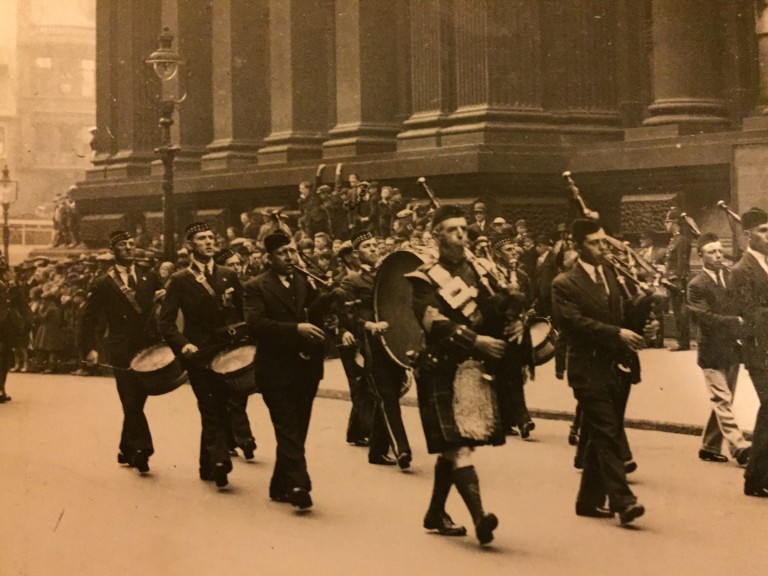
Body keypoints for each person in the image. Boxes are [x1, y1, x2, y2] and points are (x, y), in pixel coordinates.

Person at [406, 205, 513, 546]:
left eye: (464, 230)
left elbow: (493, 309)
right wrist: (476, 340)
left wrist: (511, 309)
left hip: (471, 369)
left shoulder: (479, 270)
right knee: (459, 446)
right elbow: (432, 321)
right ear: (437, 235)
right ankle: (481, 518)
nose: (462, 236)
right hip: (440, 367)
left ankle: (435, 513)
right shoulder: (424, 278)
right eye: (453, 230)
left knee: (455, 446)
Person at [552, 218, 654, 526]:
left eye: (603, 242)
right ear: (578, 246)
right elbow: (574, 324)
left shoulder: (610, 274)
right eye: (595, 244)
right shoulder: (564, 284)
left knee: (601, 434)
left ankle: (588, 501)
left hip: (615, 366)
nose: (602, 248)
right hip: (587, 368)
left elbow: (621, 315)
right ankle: (623, 500)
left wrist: (645, 310)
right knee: (608, 431)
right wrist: (617, 333)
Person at [243, 232, 341, 510]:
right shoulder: (255, 286)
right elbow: (256, 324)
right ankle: (299, 484)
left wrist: (329, 297)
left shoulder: (304, 281)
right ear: (269, 258)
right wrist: (295, 329)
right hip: (274, 370)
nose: (290, 258)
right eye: (283, 253)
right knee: (287, 427)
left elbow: (311, 314)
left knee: (297, 430)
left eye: (292, 252)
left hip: (306, 368)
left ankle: (279, 484)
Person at [158, 222, 245, 489]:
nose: (209, 242)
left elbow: (242, 313)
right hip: (199, 355)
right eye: (202, 239)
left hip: (228, 353)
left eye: (211, 237)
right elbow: (167, 323)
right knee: (209, 407)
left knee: (220, 406)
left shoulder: (229, 275)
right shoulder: (180, 280)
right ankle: (220, 461)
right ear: (190, 246)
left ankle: (207, 464)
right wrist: (183, 344)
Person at [81, 230, 165, 474]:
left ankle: (126, 448)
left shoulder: (149, 277)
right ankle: (142, 449)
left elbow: (163, 308)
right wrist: (90, 348)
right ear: (113, 251)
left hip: (146, 347)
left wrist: (163, 298)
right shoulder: (103, 283)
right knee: (130, 398)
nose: (129, 248)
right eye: (123, 245)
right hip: (120, 348)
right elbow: (89, 318)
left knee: (137, 400)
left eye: (131, 244)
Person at [341, 231, 412, 469]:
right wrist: (368, 325)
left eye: (375, 245)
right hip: (372, 347)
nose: (373, 249)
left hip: (395, 343)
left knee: (391, 393)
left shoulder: (387, 275)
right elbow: (347, 315)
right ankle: (402, 449)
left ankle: (377, 451)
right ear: (357, 254)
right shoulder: (351, 281)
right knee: (387, 396)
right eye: (367, 246)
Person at [687, 232, 751, 466]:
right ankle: (739, 446)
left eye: (719, 250)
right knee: (722, 399)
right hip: (711, 350)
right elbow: (704, 317)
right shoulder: (695, 285)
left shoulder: (731, 275)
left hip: (732, 348)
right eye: (711, 252)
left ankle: (709, 446)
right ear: (700, 256)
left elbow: (742, 303)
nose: (717, 255)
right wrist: (736, 322)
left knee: (724, 400)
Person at [729, 208, 768, 497]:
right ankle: (755, 478)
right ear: (747, 235)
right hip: (759, 352)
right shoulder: (741, 271)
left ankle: (755, 477)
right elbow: (750, 314)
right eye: (763, 231)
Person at [213, 247, 258, 462]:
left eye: (238, 263)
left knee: (239, 393)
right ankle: (244, 438)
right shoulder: (215, 285)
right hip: (222, 344)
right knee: (231, 396)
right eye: (231, 265)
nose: (237, 268)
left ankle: (234, 438)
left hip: (243, 341)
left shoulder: (247, 283)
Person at [489, 233, 535, 438]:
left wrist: (524, 320)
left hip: (519, 333)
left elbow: (533, 304)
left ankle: (519, 419)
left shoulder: (523, 276)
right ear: (497, 254)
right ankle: (514, 419)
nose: (514, 252)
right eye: (508, 250)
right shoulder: (492, 275)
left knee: (515, 374)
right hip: (498, 331)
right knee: (502, 375)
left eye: (514, 248)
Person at [663, 207, 692, 351]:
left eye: (667, 222)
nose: (666, 225)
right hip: (671, 280)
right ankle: (681, 341)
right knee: (677, 311)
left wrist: (679, 282)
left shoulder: (682, 240)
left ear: (674, 223)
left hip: (678, 281)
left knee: (681, 311)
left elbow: (682, 263)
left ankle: (683, 342)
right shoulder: (675, 239)